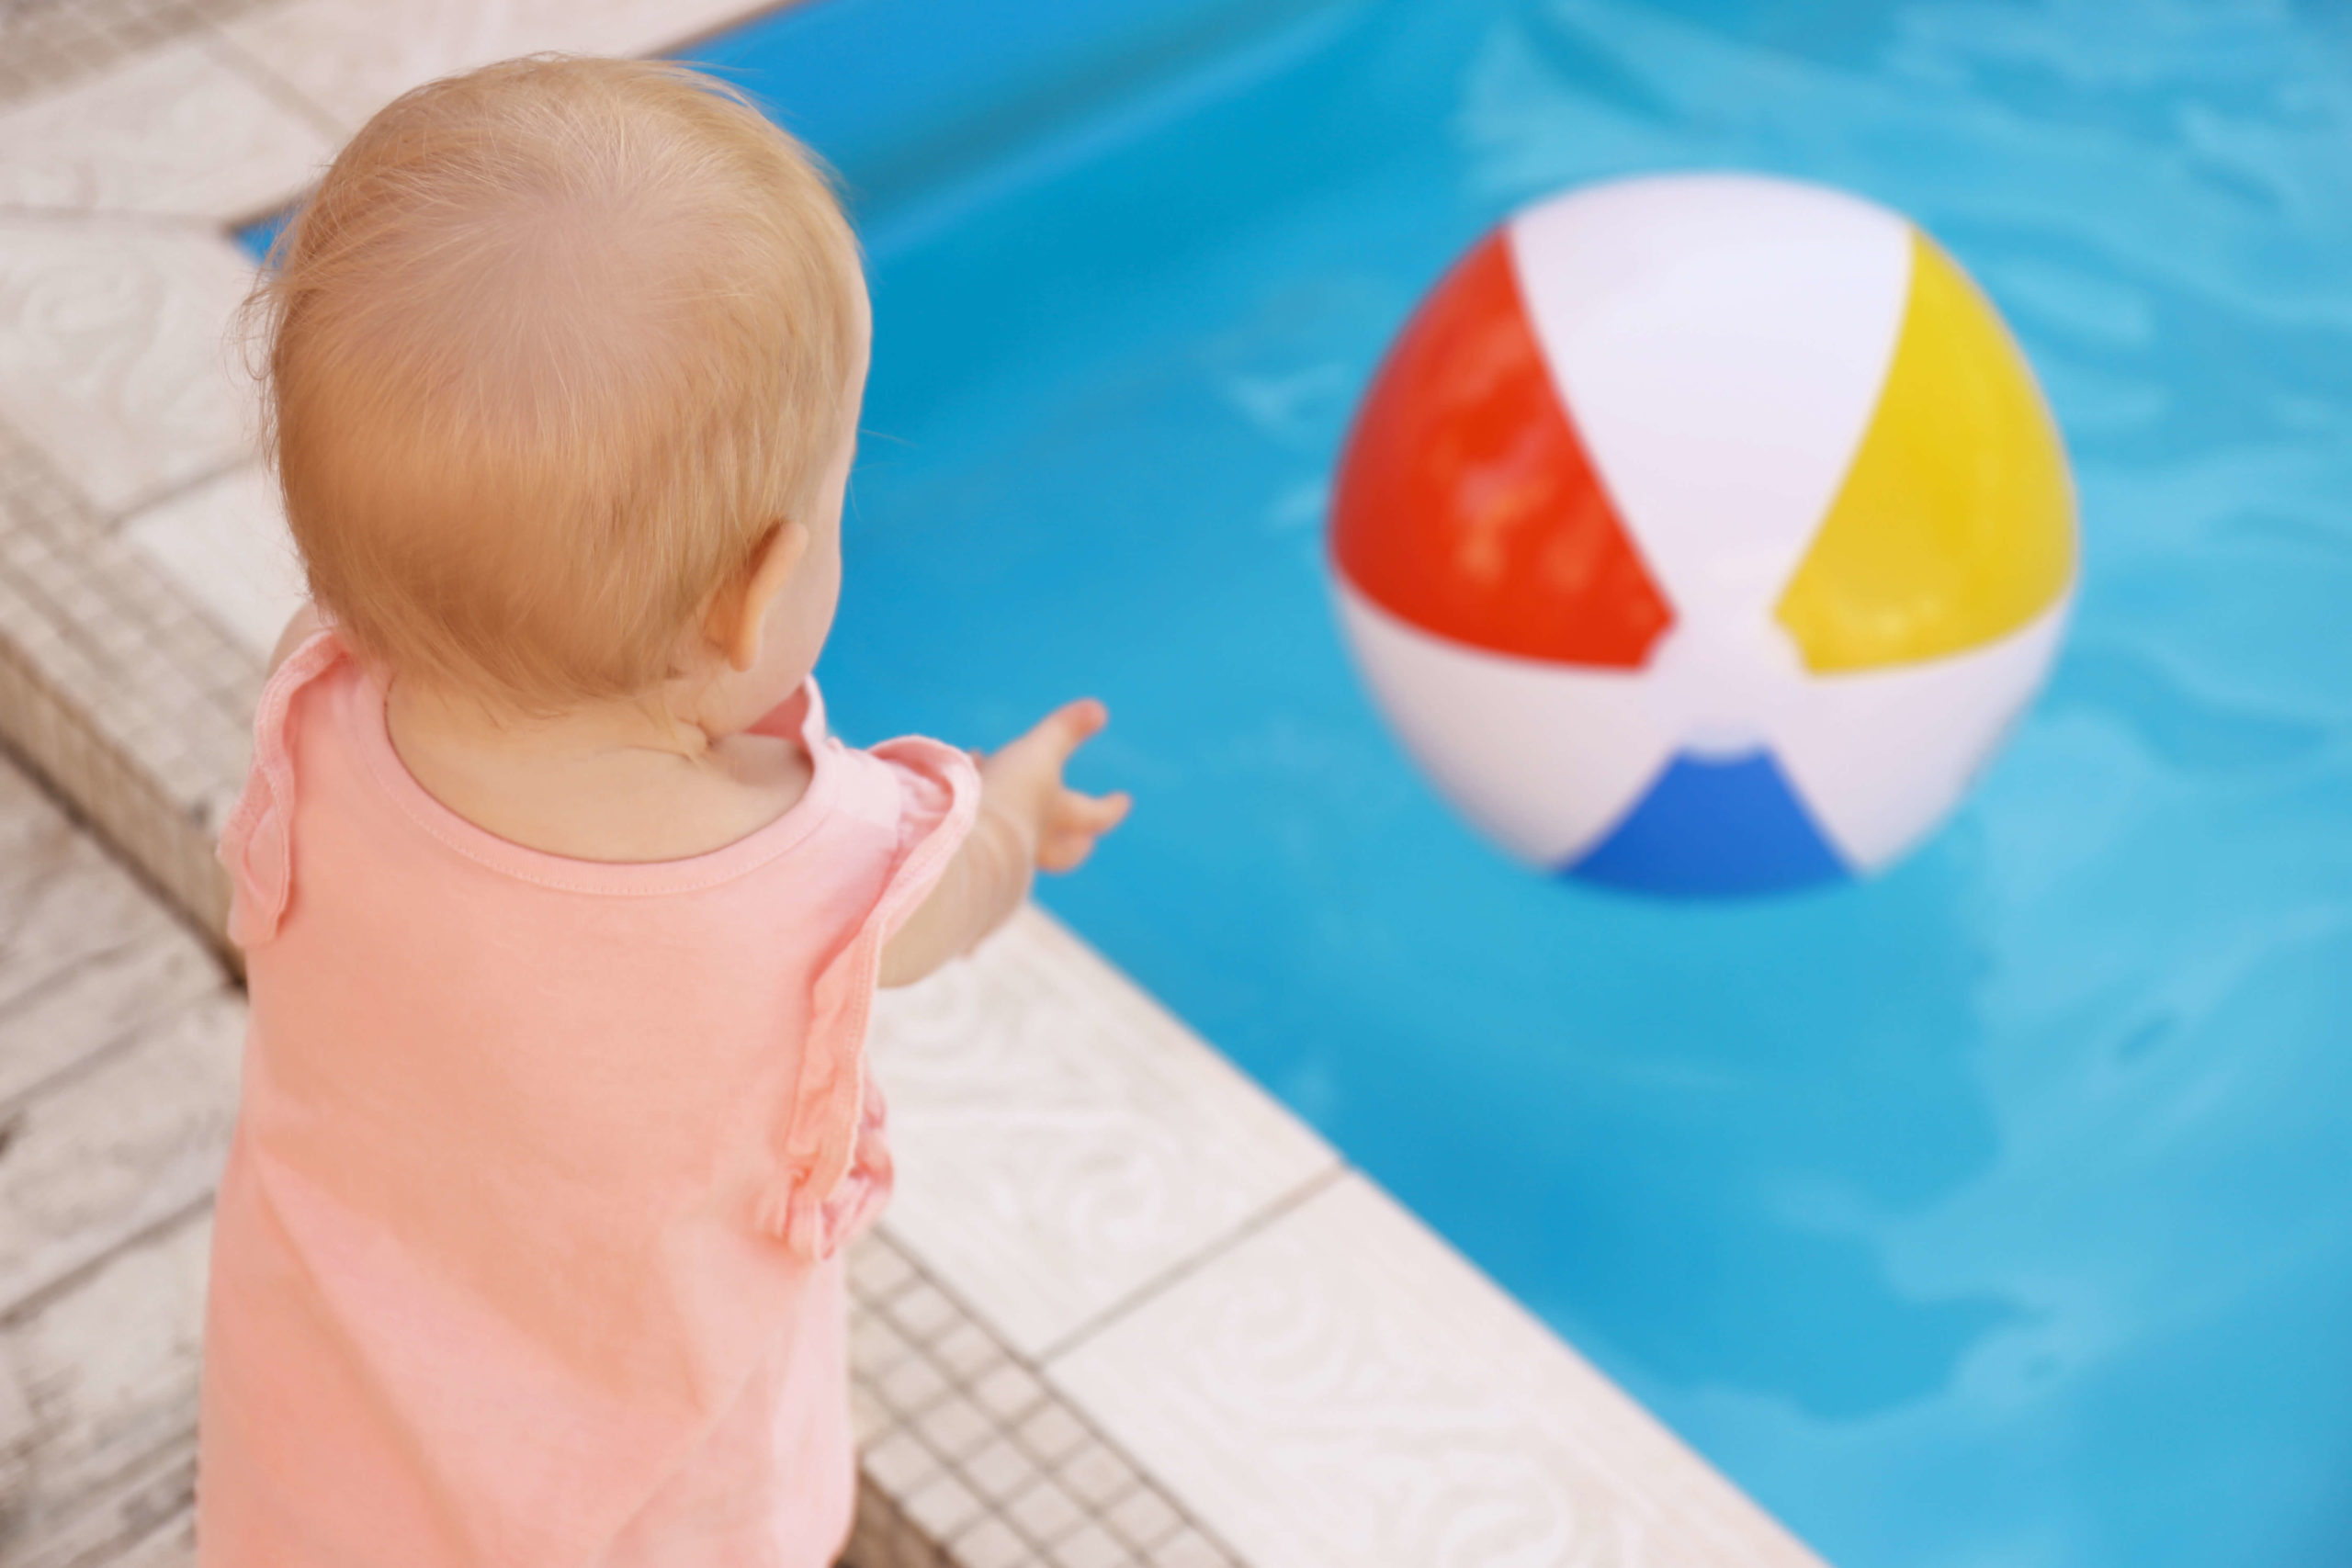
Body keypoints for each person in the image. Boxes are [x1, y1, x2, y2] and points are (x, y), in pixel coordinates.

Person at [199, 54, 1127, 1567]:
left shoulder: (319, 720)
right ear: (762, 588)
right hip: (658, 1514)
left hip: (327, 1458)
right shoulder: (823, 873)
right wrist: (1018, 808)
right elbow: (971, 885)